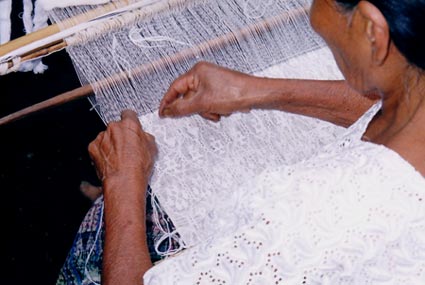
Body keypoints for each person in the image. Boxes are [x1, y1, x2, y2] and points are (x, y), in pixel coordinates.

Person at [58, 0, 425, 284]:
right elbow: (393, 102)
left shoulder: (317, 217)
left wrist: (123, 180)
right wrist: (257, 90)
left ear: (372, 32)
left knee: (104, 225)